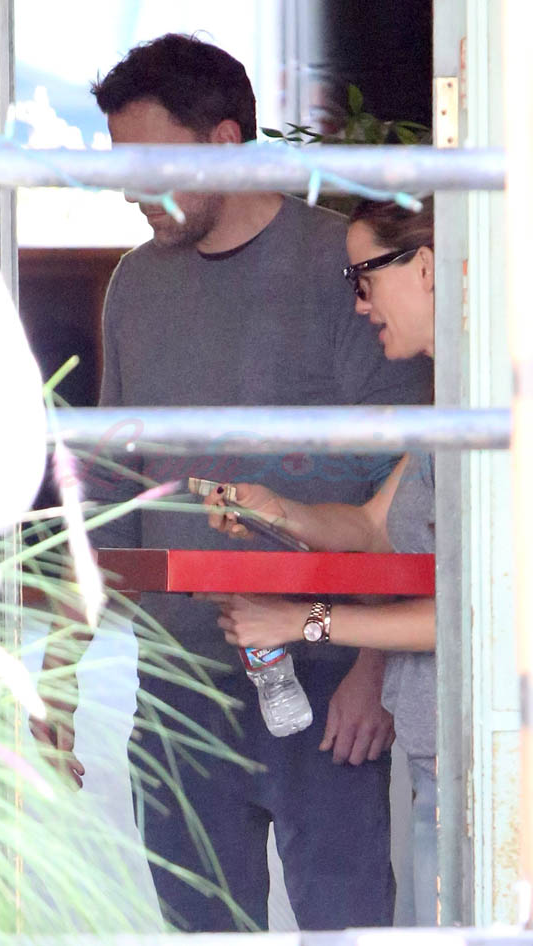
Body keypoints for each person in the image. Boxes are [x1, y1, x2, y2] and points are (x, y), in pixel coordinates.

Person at [32, 33, 433, 932]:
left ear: (222, 141)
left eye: (148, 162)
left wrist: (372, 671)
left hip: (324, 672)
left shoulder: (346, 270)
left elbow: (407, 491)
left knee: (346, 926)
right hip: (178, 686)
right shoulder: (134, 285)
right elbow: (111, 490)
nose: (129, 188)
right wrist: (59, 666)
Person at [204, 195, 438, 926]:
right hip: (442, 757)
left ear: (426, 268)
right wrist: (279, 510)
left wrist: (300, 620)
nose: (360, 306)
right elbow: (371, 527)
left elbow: (478, 613)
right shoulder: (452, 415)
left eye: (364, 279)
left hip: (497, 762)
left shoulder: (507, 415)